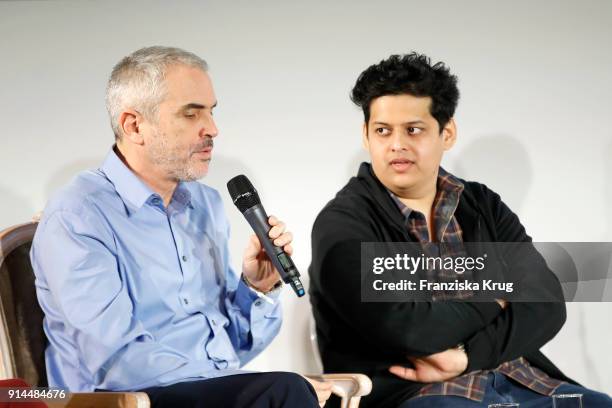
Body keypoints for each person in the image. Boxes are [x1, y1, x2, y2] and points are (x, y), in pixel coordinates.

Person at [31, 46, 331, 407]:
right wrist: (229, 379)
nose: (213, 129)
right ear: (134, 125)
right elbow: (116, 361)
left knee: (298, 393)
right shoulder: (78, 215)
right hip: (123, 399)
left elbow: (230, 349)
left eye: (211, 112)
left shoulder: (206, 205)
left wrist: (257, 288)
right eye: (191, 115)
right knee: (285, 391)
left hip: (200, 390)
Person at [308, 53, 612, 407]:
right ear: (366, 134)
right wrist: (499, 293)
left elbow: (547, 301)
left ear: (447, 133)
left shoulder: (481, 203)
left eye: (414, 129)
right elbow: (408, 329)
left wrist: (468, 356)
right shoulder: (343, 223)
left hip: (519, 379)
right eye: (382, 130)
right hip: (420, 395)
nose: (396, 144)